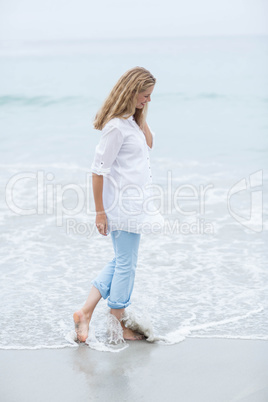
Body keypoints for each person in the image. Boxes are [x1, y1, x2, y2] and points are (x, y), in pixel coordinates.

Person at [73, 66, 164, 342]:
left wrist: (140, 113)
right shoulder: (115, 128)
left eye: (149, 96)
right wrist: (100, 212)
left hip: (136, 205)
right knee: (127, 264)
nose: (148, 100)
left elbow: (149, 142)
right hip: (121, 206)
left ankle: (85, 313)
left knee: (122, 260)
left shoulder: (131, 123)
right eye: (144, 95)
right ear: (131, 91)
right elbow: (98, 170)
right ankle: (118, 325)